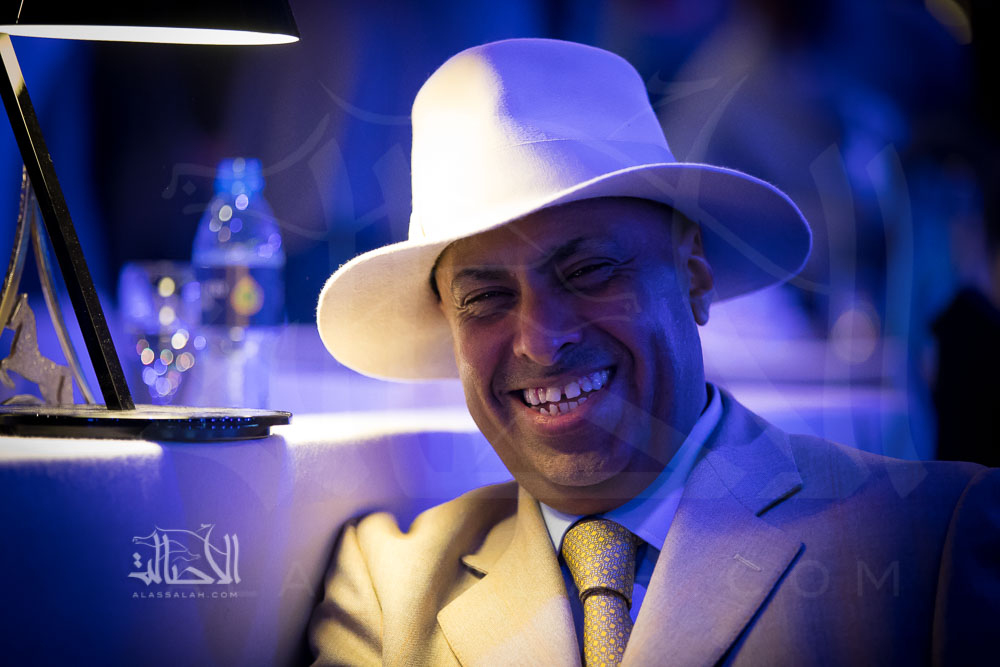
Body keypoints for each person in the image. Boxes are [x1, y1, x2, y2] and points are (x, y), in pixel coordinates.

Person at [309, 38, 999, 665]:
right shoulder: (389, 586)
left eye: (589, 271)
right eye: (486, 297)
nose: (541, 341)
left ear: (693, 275)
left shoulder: (931, 541)